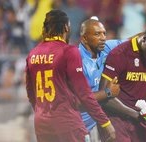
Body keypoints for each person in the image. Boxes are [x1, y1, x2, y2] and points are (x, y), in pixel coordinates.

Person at [25, 9, 115, 142]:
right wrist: (106, 123)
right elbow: (84, 94)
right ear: (66, 27)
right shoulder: (69, 51)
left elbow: (31, 93)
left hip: (42, 124)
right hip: (68, 124)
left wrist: (42, 114)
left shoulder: (33, 53)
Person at [98, 25, 146, 142]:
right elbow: (104, 96)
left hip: (141, 122)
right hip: (117, 119)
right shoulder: (120, 54)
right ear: (144, 38)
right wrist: (137, 114)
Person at [78, 17, 124, 142]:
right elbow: (78, 101)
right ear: (84, 38)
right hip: (74, 128)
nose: (103, 37)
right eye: (97, 34)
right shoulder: (77, 61)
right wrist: (107, 92)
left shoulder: (105, 48)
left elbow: (132, 42)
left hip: (94, 124)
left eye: (104, 33)